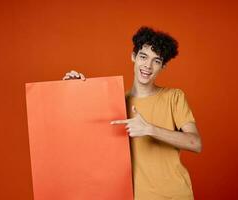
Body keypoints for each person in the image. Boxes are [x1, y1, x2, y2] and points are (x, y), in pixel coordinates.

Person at [63, 26, 202, 200]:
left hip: (175, 195)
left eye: (156, 61)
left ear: (163, 66)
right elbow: (84, 139)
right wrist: (74, 91)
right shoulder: (116, 103)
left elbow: (195, 143)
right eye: (143, 57)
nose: (148, 66)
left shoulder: (174, 97)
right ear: (133, 57)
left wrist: (149, 129)